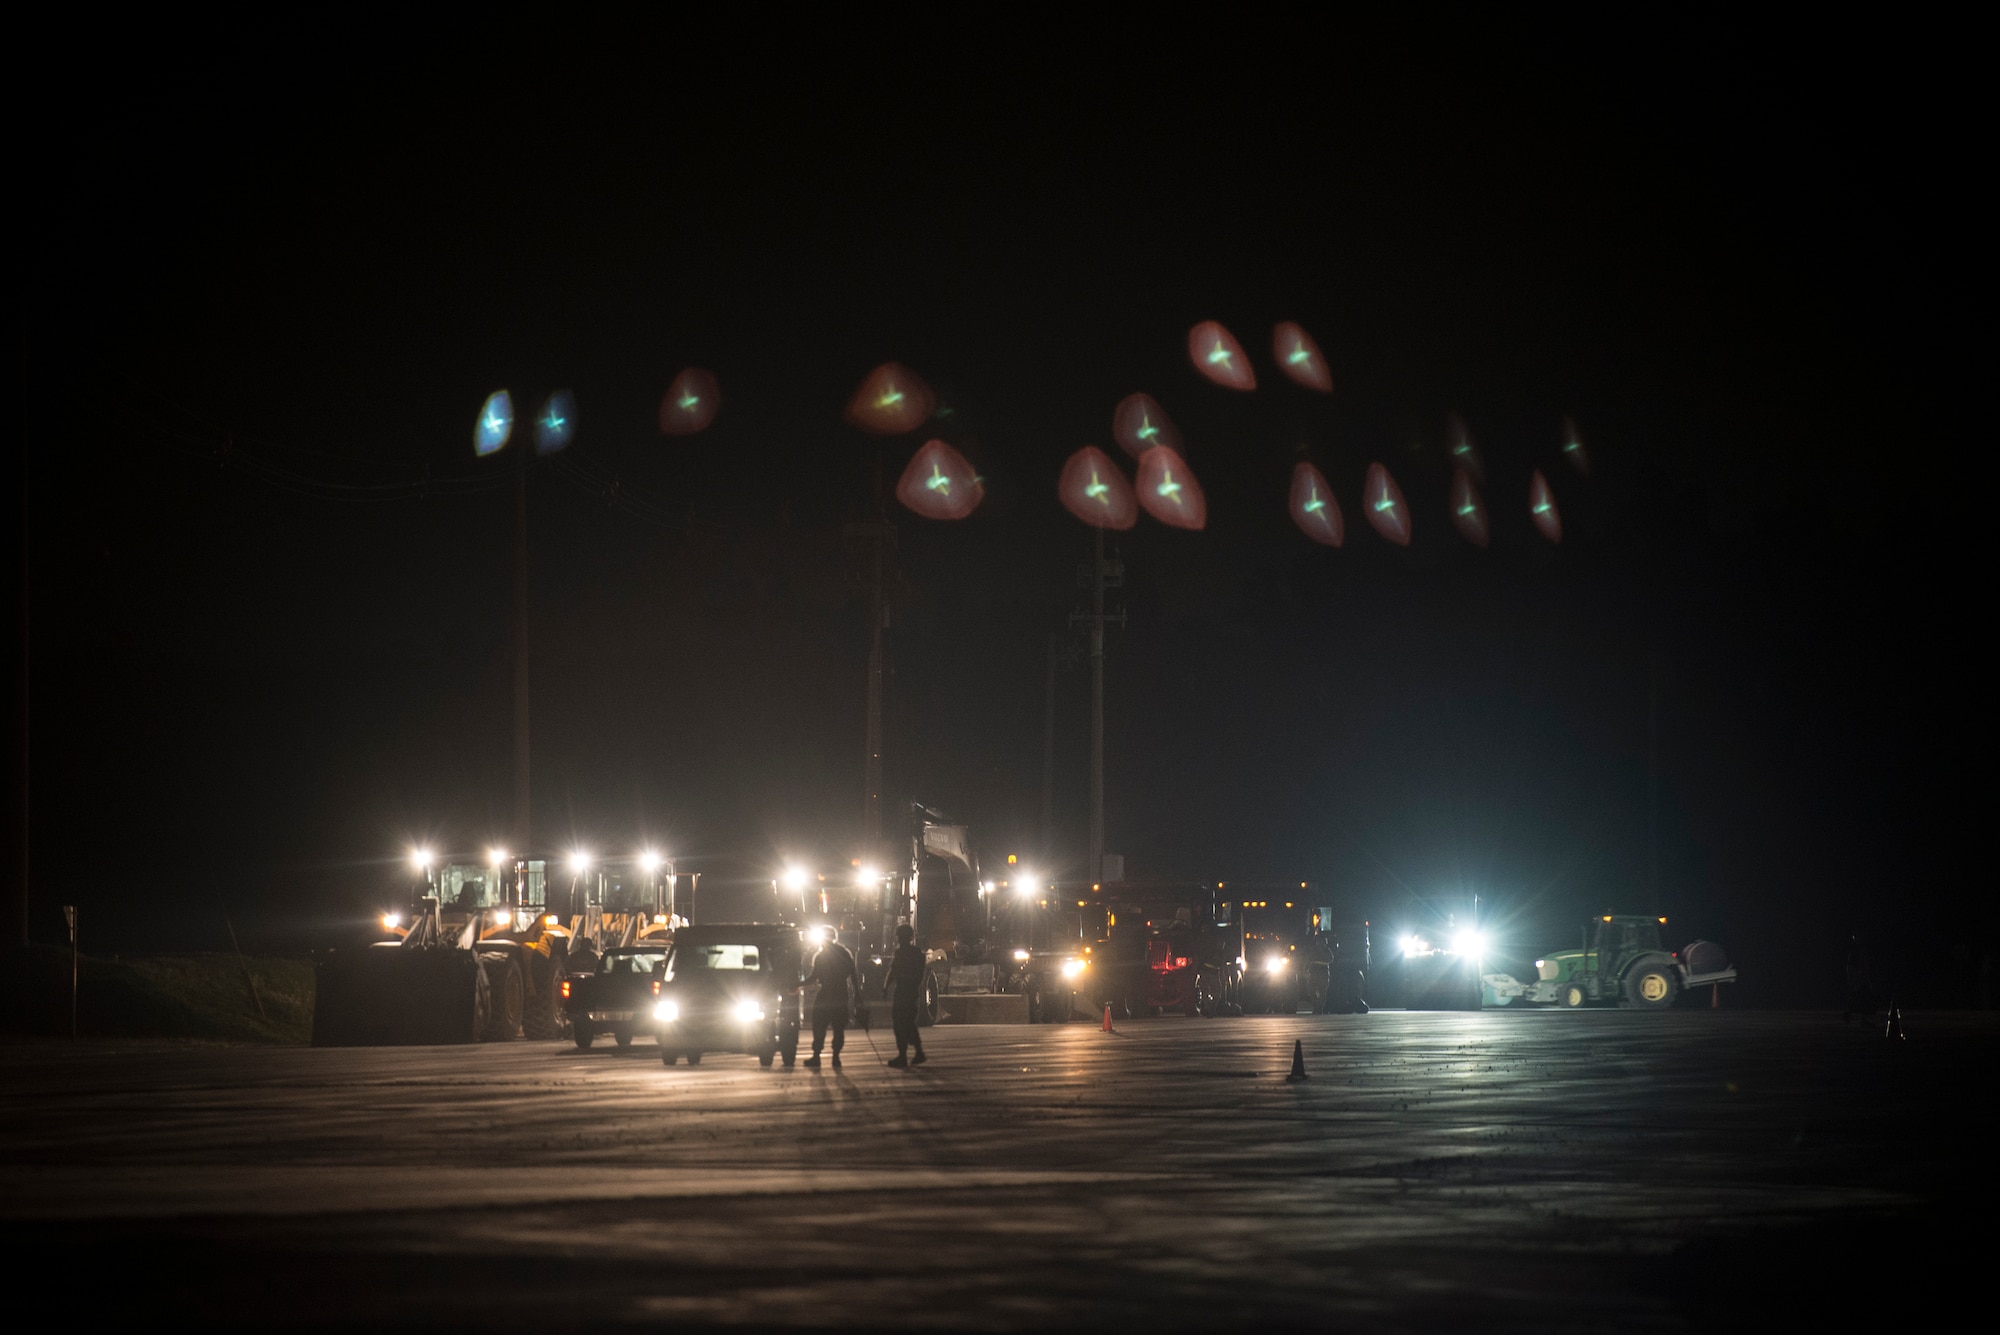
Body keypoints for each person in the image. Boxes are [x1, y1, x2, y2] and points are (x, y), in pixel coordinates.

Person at [802, 929, 858, 1069]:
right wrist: (858, 994)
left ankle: (816, 1056)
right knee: (838, 1028)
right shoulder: (844, 953)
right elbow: (853, 974)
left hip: (826, 995)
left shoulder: (821, 956)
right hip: (840, 995)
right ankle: (835, 1057)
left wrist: (798, 984)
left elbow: (813, 977)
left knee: (819, 1026)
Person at [882, 922, 928, 1067]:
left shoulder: (906, 954)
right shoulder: (916, 954)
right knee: (905, 1023)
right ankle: (916, 1052)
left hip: (906, 992)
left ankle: (905, 1055)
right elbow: (894, 971)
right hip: (908, 992)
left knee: (902, 1023)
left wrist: (886, 987)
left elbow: (894, 972)